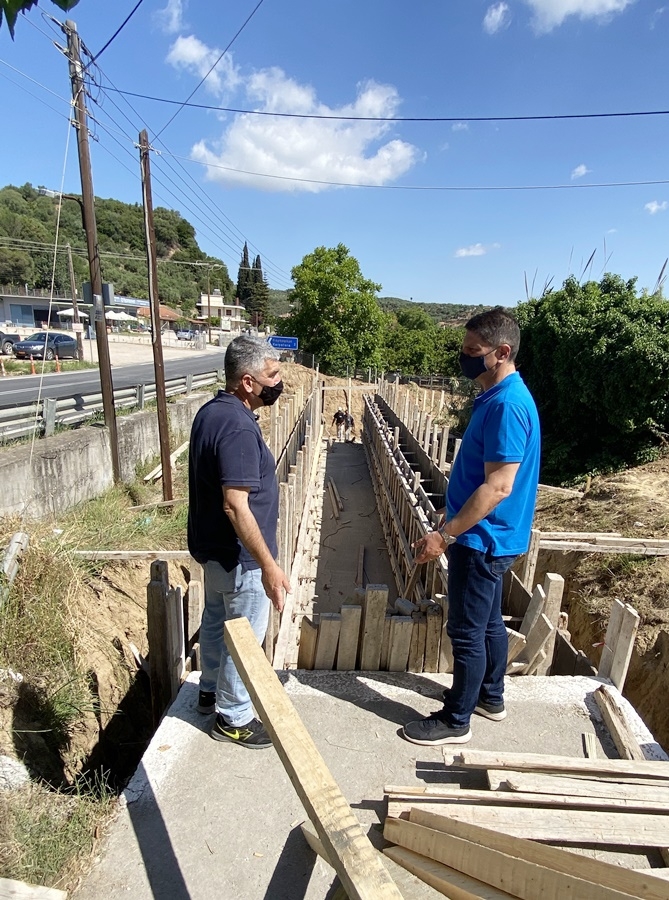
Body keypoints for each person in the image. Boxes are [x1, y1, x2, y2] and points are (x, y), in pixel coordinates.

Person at [403, 307, 541, 746]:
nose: (462, 358)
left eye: (471, 351)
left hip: (483, 538)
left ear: (501, 352)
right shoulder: (498, 397)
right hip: (487, 533)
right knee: (488, 625)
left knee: (465, 629)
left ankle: (456, 719)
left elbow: (498, 486)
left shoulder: (506, 405)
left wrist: (446, 535)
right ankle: (490, 697)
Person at [187, 335, 291, 749]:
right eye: (273, 375)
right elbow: (236, 505)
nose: (279, 381)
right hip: (241, 557)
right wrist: (267, 564)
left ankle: (209, 692)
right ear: (248, 382)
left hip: (216, 552)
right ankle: (234, 718)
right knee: (243, 635)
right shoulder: (237, 428)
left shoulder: (212, 412)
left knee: (215, 623)